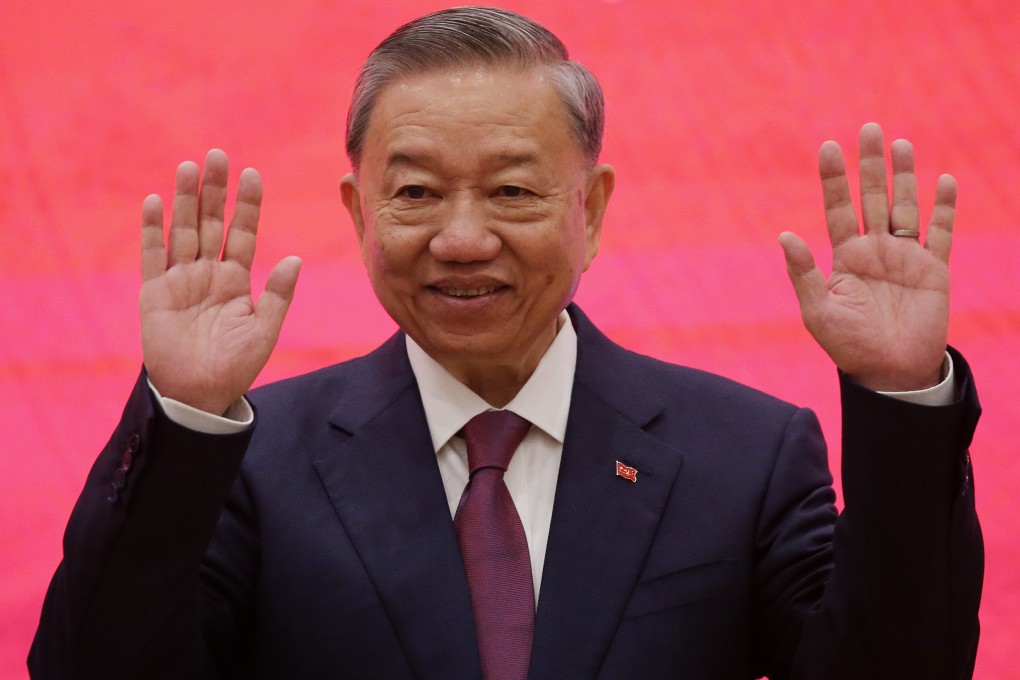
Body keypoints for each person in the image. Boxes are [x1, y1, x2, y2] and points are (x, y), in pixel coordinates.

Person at [29, 6, 982, 680]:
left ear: (591, 210)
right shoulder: (253, 461)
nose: (462, 236)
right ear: (360, 214)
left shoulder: (745, 452)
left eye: (513, 190)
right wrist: (187, 417)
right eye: (415, 192)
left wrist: (901, 393)